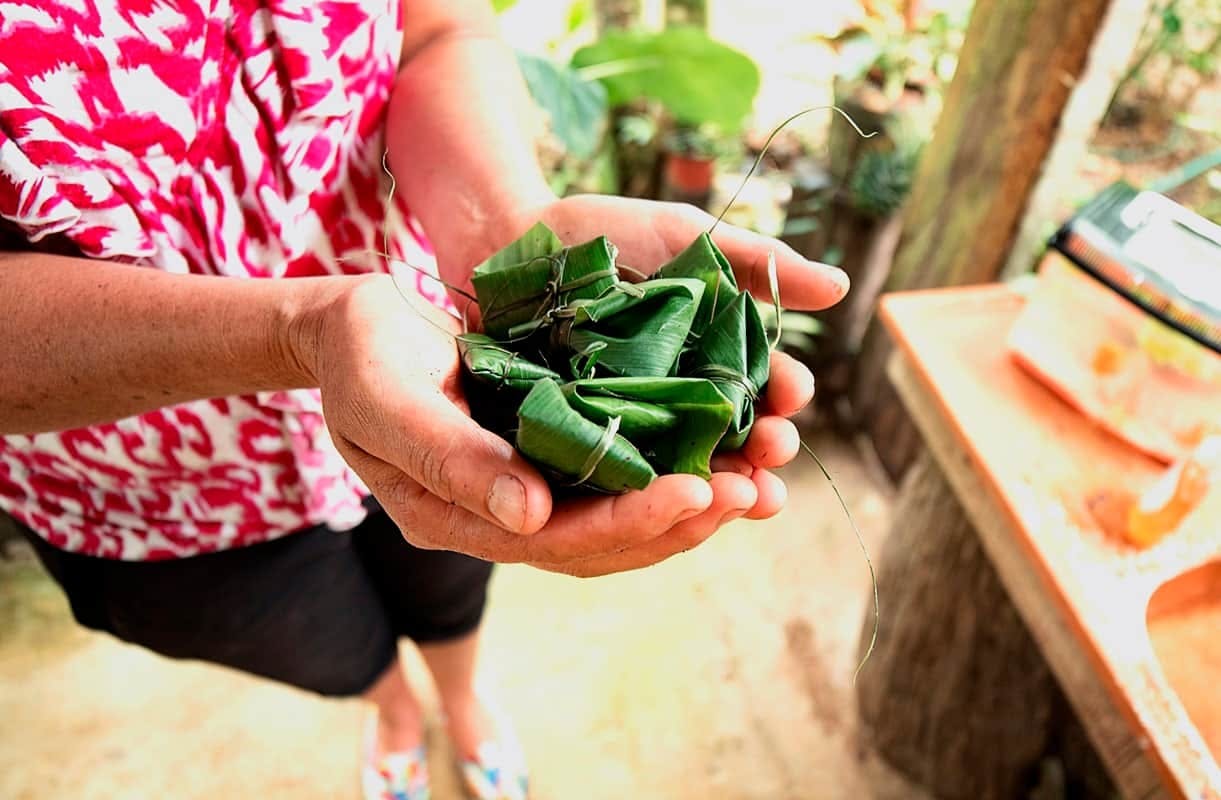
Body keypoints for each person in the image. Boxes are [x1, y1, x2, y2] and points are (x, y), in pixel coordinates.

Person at [0, 0, 848, 797]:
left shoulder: (472, 373)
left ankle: (464, 699)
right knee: (313, 640)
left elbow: (437, 27)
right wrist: (300, 330)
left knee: (451, 581)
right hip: (148, 482)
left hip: (435, 372)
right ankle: (395, 714)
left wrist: (507, 228)